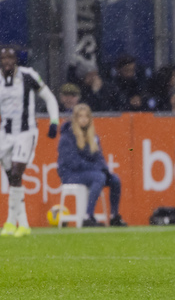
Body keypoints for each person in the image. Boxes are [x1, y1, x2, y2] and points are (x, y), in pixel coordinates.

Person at [0, 46, 60, 237]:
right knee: (12, 178)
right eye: (4, 58)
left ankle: (14, 223)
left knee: (17, 172)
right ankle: (19, 223)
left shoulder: (28, 75)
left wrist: (54, 121)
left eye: (11, 58)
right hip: (5, 134)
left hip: (26, 132)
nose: (7, 61)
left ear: (16, 60)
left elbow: (49, 97)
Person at [57, 104, 127, 227]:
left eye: (86, 116)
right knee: (98, 177)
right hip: (70, 174)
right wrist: (97, 169)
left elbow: (99, 157)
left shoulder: (93, 137)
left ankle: (114, 216)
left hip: (88, 172)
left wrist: (105, 169)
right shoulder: (66, 137)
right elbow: (73, 162)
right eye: (80, 116)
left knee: (115, 180)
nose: (83, 119)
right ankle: (88, 217)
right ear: (75, 118)